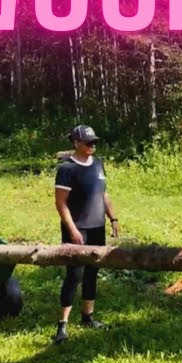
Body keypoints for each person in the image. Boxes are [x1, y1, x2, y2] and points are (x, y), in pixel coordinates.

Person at [52, 124, 120, 343]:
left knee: (92, 272)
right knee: (74, 275)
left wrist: (113, 218)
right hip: (77, 229)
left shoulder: (98, 164)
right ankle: (62, 325)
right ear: (76, 143)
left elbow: (104, 194)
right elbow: (61, 204)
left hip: (97, 227)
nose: (93, 145)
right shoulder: (67, 169)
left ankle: (88, 316)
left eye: (94, 142)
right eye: (88, 142)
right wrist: (72, 230)